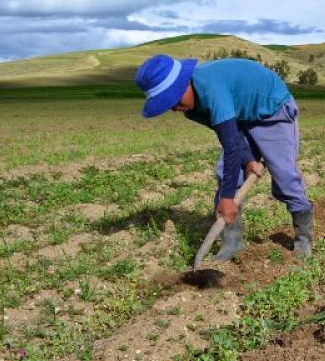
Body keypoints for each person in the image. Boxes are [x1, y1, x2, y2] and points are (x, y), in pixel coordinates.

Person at [134, 55, 314, 261]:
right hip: (240, 116)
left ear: (186, 83)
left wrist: (227, 200)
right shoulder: (192, 109)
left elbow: (230, 146)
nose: (175, 108)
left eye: (175, 99)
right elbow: (232, 138)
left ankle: (303, 240)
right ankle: (233, 244)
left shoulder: (211, 89)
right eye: (168, 105)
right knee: (226, 174)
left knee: (284, 176)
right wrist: (248, 159)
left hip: (272, 110)